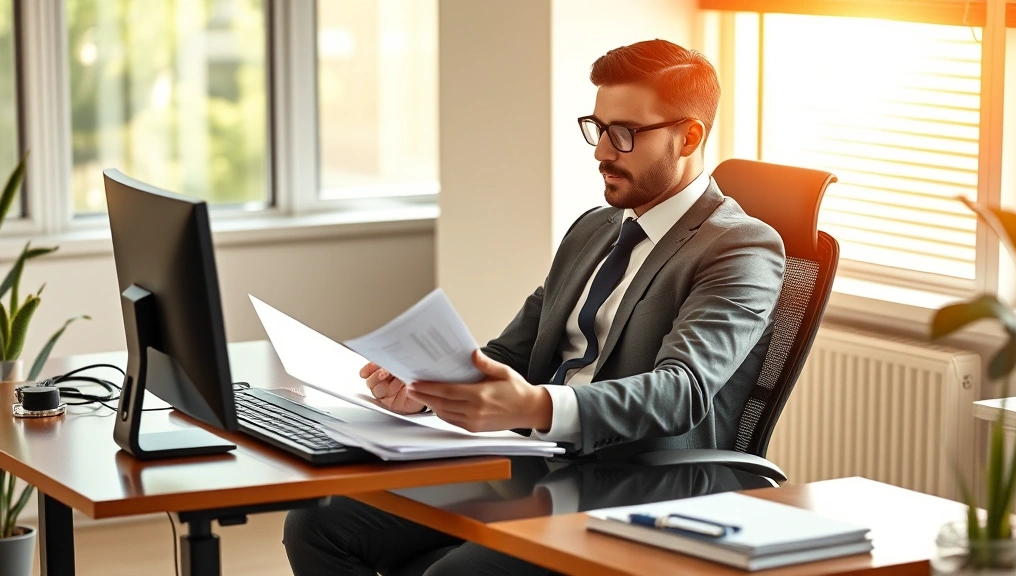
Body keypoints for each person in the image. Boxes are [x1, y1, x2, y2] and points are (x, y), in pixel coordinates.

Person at [283, 38, 785, 576]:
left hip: (639, 483)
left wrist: (535, 408)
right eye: (597, 128)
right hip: (538, 461)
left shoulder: (740, 248)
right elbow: (513, 351)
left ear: (689, 137)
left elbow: (680, 392)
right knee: (320, 522)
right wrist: (429, 387)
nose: (601, 152)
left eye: (624, 134)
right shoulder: (594, 229)